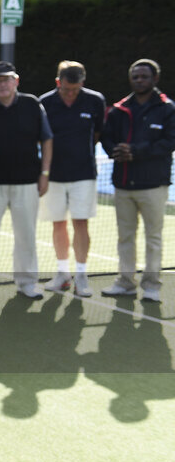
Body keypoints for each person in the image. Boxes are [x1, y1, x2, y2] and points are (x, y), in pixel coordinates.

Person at [0, 60, 53, 300]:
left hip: (27, 183)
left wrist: (45, 174)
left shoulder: (32, 104)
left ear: (16, 81)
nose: (3, 84)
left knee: (26, 234)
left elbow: (47, 140)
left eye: (7, 79)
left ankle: (27, 282)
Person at [100, 58, 175, 302]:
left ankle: (152, 286)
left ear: (155, 79)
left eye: (144, 76)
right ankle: (125, 283)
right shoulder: (119, 108)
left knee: (153, 238)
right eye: (135, 76)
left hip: (154, 186)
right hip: (123, 185)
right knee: (125, 237)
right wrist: (116, 151)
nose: (139, 80)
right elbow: (106, 138)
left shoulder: (167, 108)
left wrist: (136, 151)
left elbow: (168, 142)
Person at [38, 61, 106, 297]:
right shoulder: (44, 103)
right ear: (58, 82)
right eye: (66, 89)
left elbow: (97, 133)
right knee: (58, 223)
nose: (70, 93)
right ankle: (62, 273)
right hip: (53, 175)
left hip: (84, 174)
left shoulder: (95, 100)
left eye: (75, 90)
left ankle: (81, 275)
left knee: (81, 223)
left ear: (82, 84)